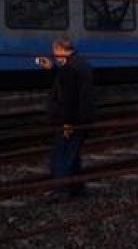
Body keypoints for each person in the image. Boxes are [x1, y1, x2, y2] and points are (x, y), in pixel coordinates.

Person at [36, 37, 94, 200]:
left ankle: (62, 190)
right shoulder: (81, 65)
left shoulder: (69, 69)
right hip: (82, 119)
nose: (54, 55)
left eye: (55, 52)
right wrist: (53, 69)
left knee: (61, 156)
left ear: (62, 49)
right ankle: (77, 187)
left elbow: (69, 98)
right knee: (72, 155)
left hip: (70, 120)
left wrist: (67, 123)